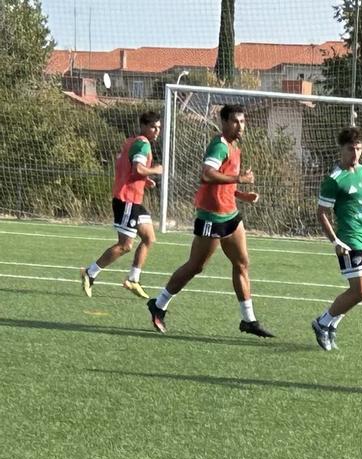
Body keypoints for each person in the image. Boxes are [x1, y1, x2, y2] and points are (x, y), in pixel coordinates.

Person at [145, 104, 274, 338]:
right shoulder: (219, 146)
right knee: (196, 266)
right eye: (235, 121)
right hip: (211, 217)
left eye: (243, 121)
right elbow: (206, 174)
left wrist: (241, 194)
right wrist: (241, 178)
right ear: (224, 122)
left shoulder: (235, 148)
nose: (240, 125)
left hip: (231, 215)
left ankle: (249, 320)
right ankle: (159, 304)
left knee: (242, 264)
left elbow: (223, 183)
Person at [311, 126, 362, 351]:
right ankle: (322, 322)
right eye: (351, 149)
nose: (355, 153)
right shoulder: (334, 180)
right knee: (359, 291)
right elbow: (321, 213)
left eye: (359, 148)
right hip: (349, 240)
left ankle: (330, 325)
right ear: (341, 150)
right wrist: (335, 241)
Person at [80, 111, 164, 299]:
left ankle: (133, 280)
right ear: (143, 126)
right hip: (127, 199)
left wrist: (145, 180)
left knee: (149, 238)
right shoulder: (143, 144)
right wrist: (155, 170)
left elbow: (129, 170)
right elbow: (138, 168)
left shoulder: (131, 141)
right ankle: (90, 273)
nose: (157, 131)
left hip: (134, 198)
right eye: (153, 127)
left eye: (159, 127)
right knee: (125, 245)